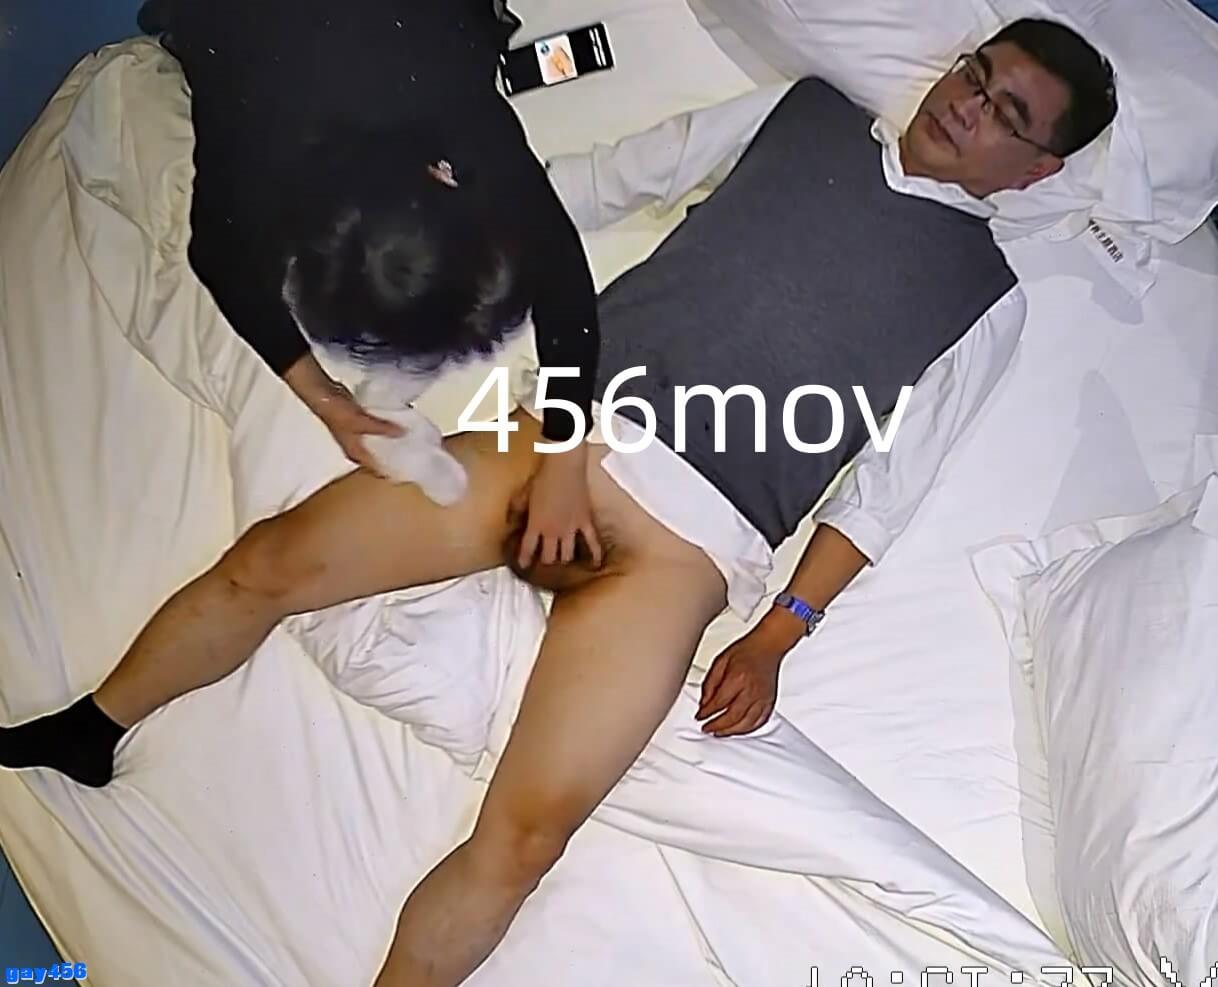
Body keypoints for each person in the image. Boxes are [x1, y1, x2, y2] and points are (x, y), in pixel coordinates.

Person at [1, 18, 1116, 987]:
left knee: (526, 838)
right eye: (976, 73)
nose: (967, 104)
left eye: (1006, 113)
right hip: (567, 441)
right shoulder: (807, 115)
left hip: (689, 552)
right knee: (274, 561)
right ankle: (95, 727)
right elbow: (621, 177)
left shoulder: (988, 301)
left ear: (1035, 171)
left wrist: (780, 632)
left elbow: (884, 494)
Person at [137, 0, 604, 568]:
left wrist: (565, 448)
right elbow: (217, 260)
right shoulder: (256, 160)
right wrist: (323, 397)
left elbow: (557, 266)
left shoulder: (442, 93)